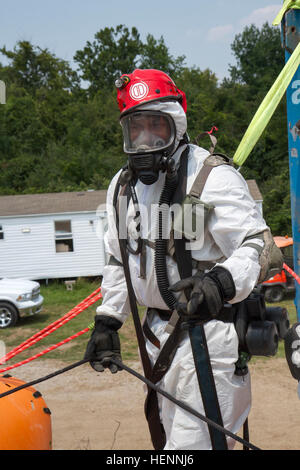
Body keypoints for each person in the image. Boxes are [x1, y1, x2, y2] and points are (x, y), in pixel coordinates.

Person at [84, 69, 282, 450]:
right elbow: (117, 258)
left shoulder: (211, 178)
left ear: (175, 125)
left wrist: (221, 282)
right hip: (156, 339)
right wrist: (108, 321)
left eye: (155, 126)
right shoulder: (122, 189)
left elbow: (259, 247)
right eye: (135, 129)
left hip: (208, 338)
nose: (144, 140)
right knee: (170, 444)